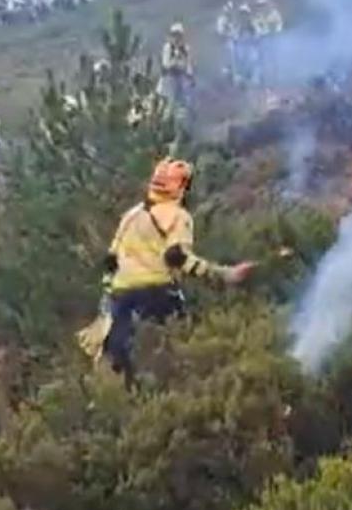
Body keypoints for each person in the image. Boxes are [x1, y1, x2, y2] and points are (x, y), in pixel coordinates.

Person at [97, 159, 252, 380]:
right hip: (157, 294)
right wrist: (225, 274)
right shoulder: (178, 216)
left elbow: (110, 261)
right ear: (182, 187)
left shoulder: (131, 215)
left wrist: (108, 299)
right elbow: (176, 257)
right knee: (183, 350)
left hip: (120, 296)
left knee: (122, 362)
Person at [158, 22, 195, 116]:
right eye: (174, 35)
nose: (176, 38)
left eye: (178, 35)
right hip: (168, 80)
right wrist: (176, 61)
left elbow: (189, 65)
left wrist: (190, 76)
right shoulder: (168, 48)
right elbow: (166, 65)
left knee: (183, 105)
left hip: (180, 80)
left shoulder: (186, 49)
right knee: (166, 105)